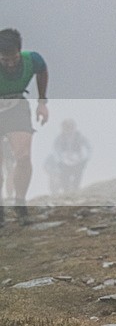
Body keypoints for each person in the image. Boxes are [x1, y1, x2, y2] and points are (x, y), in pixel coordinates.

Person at [0, 28, 49, 226]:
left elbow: (43, 71)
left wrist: (42, 102)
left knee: (23, 157)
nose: (10, 64)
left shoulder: (33, 59)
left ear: (19, 51)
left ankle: (20, 202)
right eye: (4, 60)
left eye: (13, 58)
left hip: (16, 106)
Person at [47, 118, 91, 194]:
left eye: (70, 127)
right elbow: (55, 150)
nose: (68, 129)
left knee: (77, 178)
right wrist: (60, 160)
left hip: (78, 161)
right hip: (64, 163)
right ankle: (66, 193)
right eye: (66, 127)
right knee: (65, 179)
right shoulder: (59, 138)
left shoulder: (79, 137)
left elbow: (88, 147)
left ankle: (75, 192)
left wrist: (85, 159)